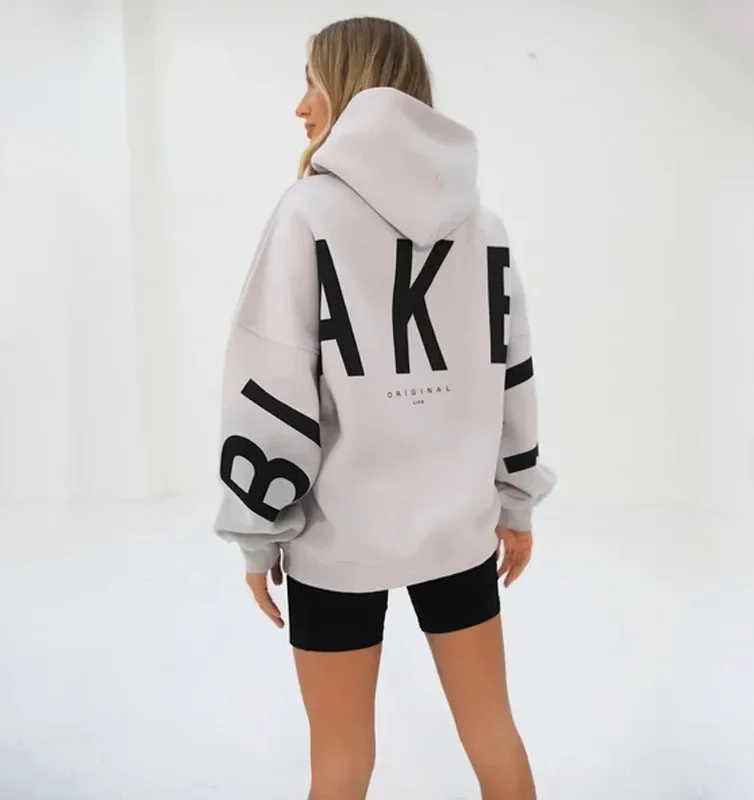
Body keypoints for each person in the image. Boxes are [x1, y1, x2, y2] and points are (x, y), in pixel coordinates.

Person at [213, 16, 556, 800]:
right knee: (495, 738)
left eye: (312, 81)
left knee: (339, 766)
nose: (301, 106)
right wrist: (516, 502)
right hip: (459, 533)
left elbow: (271, 383)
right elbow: (515, 376)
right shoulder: (485, 228)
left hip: (337, 543)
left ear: (352, 85)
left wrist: (258, 535)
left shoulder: (306, 214)